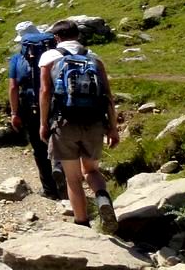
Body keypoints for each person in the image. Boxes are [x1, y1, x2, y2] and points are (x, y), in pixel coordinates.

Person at [39, 19, 119, 232]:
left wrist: (43, 124)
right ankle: (102, 197)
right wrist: (113, 127)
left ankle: (82, 224)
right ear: (78, 35)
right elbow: (108, 96)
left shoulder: (49, 58)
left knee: (72, 177)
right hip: (94, 122)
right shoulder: (94, 58)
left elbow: (45, 92)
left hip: (64, 123)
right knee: (91, 171)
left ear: (56, 38)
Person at [8, 21, 63, 199]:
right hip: (58, 105)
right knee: (62, 142)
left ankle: (49, 190)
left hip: (31, 106)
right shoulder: (57, 55)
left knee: (39, 148)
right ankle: (65, 179)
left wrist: (14, 113)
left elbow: (13, 88)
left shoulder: (17, 59)